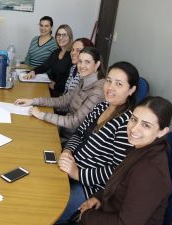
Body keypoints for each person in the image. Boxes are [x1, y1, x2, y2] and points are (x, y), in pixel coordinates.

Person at [54, 61, 139, 223]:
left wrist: (77, 173)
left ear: (131, 90)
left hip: (91, 187)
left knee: (51, 208)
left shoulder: (126, 124)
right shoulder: (102, 106)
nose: (110, 87)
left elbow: (117, 171)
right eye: (108, 80)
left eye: (119, 84)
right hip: (70, 166)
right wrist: (67, 151)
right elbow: (79, 133)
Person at [78, 96, 172, 225]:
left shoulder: (151, 172)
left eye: (146, 125)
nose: (134, 129)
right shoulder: (140, 148)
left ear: (161, 132)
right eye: (134, 119)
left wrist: (87, 215)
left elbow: (125, 223)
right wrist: (98, 197)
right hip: (107, 211)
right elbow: (119, 181)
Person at [15, 47, 105, 138]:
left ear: (97, 64)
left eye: (87, 62)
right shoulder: (83, 81)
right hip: (65, 129)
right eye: (80, 61)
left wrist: (41, 115)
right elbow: (62, 100)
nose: (82, 66)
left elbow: (73, 122)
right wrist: (33, 101)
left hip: (72, 139)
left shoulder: (97, 92)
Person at [23, 24, 73, 97]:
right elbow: (45, 66)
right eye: (58, 35)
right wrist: (34, 71)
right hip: (50, 87)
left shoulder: (71, 55)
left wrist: (55, 86)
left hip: (61, 95)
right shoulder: (56, 52)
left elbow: (69, 79)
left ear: (70, 37)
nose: (61, 37)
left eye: (64, 35)